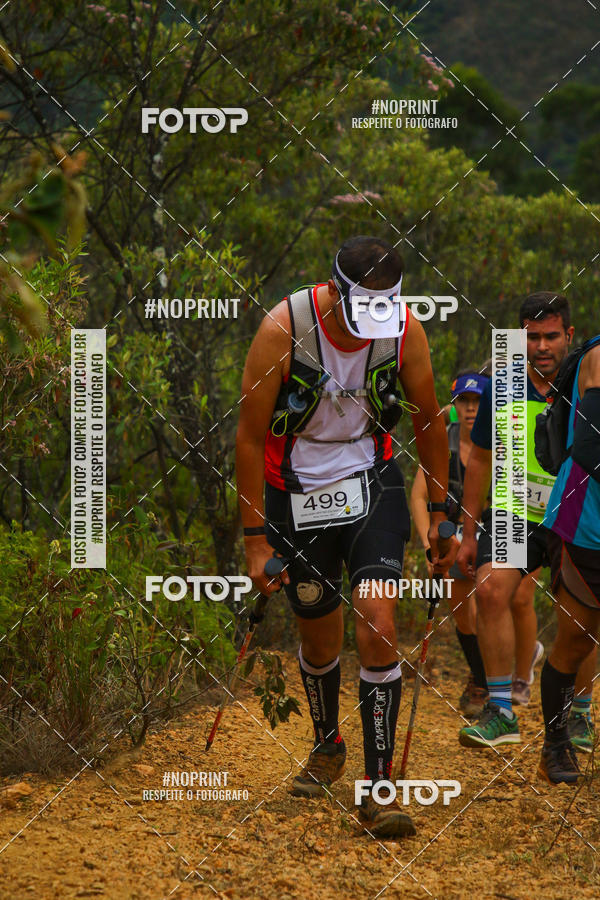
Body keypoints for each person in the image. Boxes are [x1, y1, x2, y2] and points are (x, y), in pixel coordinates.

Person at [236, 235, 453, 838]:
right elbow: (250, 436)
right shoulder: (285, 327)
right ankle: (327, 741)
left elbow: (429, 418)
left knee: (379, 624)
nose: (366, 330)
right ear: (336, 292)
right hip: (293, 483)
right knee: (319, 630)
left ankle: (378, 788)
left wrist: (440, 512)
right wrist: (256, 538)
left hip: (372, 479)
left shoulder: (404, 330)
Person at [456, 293, 583, 747]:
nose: (541, 346)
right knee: (490, 590)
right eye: (531, 337)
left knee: (578, 614)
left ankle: (580, 713)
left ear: (569, 335)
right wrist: (469, 532)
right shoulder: (503, 383)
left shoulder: (585, 380)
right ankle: (501, 709)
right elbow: (479, 461)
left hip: (572, 513)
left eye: (551, 336)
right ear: (519, 338)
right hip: (514, 511)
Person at [537, 334, 600, 783]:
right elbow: (592, 450)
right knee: (577, 641)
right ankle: (556, 745)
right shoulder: (598, 358)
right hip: (586, 521)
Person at [411, 367, 490, 717]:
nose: (471, 408)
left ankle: (491, 683)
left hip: (493, 529)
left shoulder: (502, 438)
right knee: (461, 611)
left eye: (478, 400)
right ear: (454, 404)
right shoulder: (443, 436)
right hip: (451, 532)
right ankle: (480, 675)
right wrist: (431, 547)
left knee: (490, 598)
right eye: (463, 401)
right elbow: (417, 496)